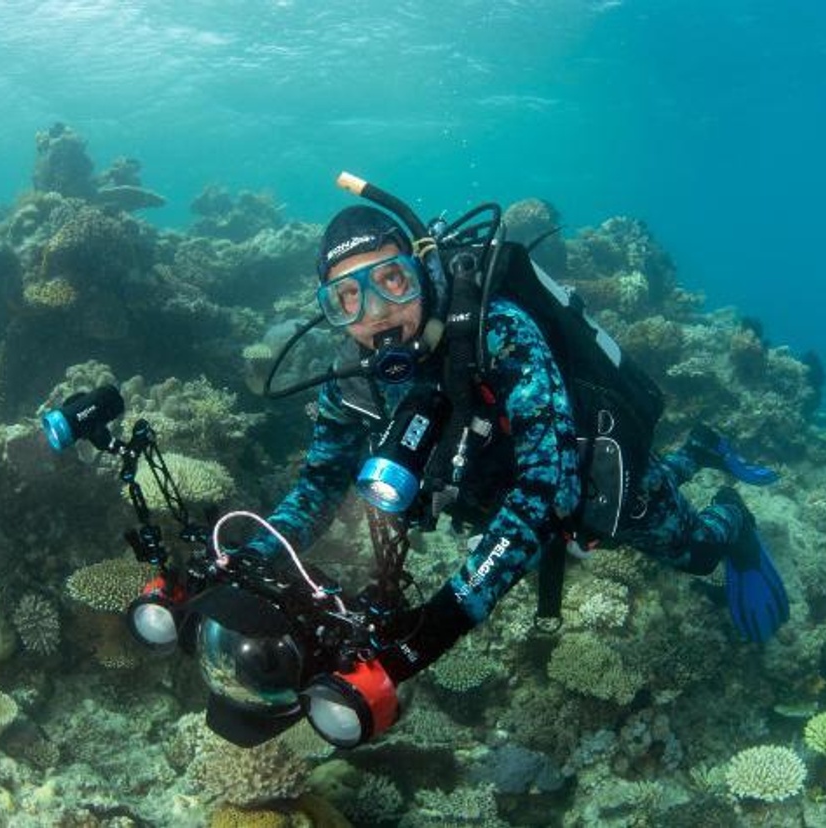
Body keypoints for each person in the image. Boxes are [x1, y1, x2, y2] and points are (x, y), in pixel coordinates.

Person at [239, 201, 789, 738]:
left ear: (422, 271)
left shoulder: (497, 331)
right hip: (496, 498)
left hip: (590, 474)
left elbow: (548, 488)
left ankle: (733, 519)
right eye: (349, 297)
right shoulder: (352, 379)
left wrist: (433, 631)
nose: (377, 312)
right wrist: (245, 559)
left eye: (392, 280)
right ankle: (701, 447)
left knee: (693, 553)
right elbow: (319, 484)